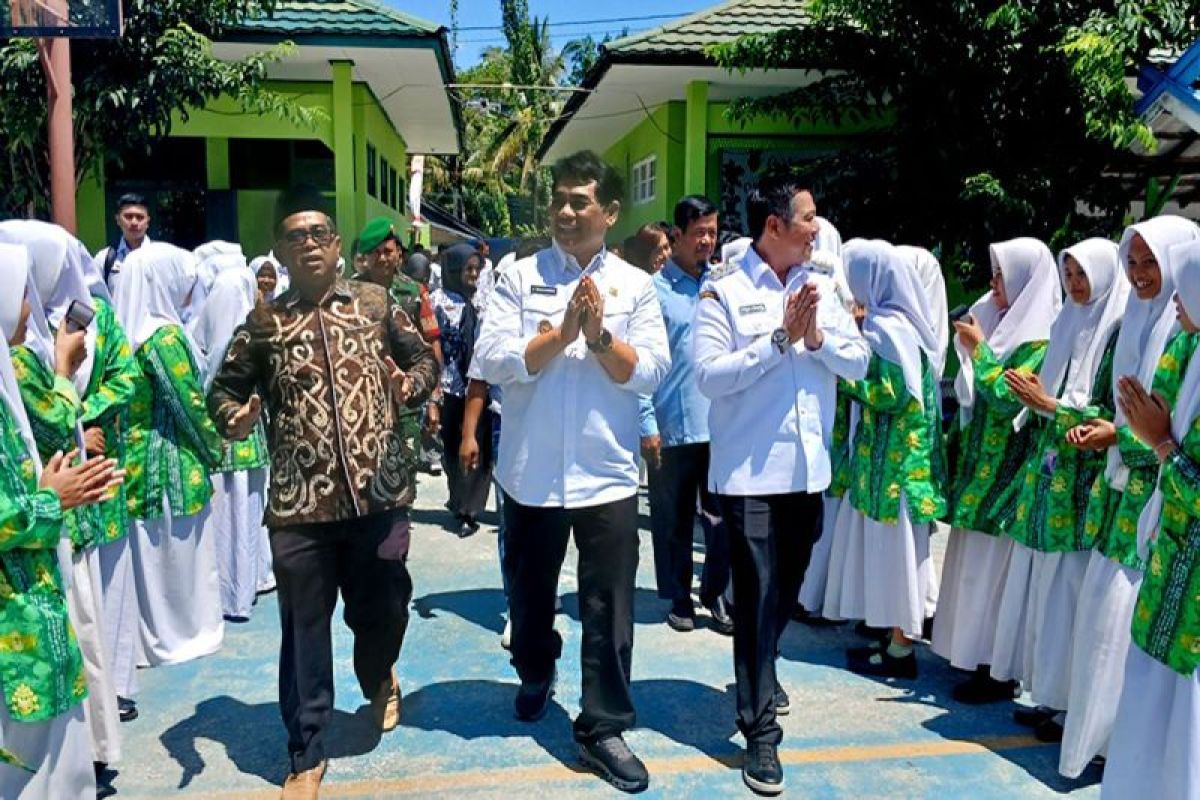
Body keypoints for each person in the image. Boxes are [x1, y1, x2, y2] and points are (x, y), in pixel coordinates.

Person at [207, 187, 438, 798]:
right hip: (298, 508)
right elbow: (221, 392)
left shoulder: (375, 303)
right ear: (281, 251)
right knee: (305, 629)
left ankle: (378, 671)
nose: (308, 243)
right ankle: (306, 751)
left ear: (337, 245)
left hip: (378, 498)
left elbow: (424, 366)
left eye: (319, 233)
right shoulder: (263, 323)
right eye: (295, 236)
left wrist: (407, 388)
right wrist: (233, 417)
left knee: (383, 610)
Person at [473, 150, 669, 793]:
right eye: (558, 199)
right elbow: (494, 359)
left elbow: (652, 372)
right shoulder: (516, 275)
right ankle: (535, 668)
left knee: (608, 607)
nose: (564, 211)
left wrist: (602, 338)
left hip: (605, 476)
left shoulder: (636, 286)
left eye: (580, 201)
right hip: (530, 475)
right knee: (529, 602)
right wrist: (560, 334)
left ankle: (602, 726)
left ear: (610, 213)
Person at [692, 177, 869, 794]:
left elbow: (861, 362)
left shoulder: (824, 287)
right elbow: (710, 377)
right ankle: (760, 735)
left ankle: (761, 666)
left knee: (780, 597)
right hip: (749, 479)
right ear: (774, 226)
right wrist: (778, 342)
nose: (817, 228)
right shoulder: (724, 291)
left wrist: (817, 338)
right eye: (808, 218)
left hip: (807, 475)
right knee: (760, 595)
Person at [1059, 218, 1200, 776]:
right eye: (1133, 262)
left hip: (1165, 531)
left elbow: (1154, 431)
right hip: (1151, 524)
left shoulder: (1180, 339)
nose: (1143, 277)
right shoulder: (1183, 342)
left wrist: (1149, 442)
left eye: (1160, 268)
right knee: (1119, 644)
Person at [0, 220, 141, 768]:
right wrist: (50, 495)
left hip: (52, 531)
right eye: (24, 289)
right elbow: (53, 426)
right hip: (33, 549)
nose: (32, 303)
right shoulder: (23, 358)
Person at [993, 239, 1129, 743]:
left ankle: (1071, 705)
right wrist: (1042, 401)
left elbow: (1115, 418)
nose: (1074, 285)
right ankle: (1050, 695)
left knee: (1073, 597)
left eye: (1081, 275)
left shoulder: (1118, 334)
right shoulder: (1069, 325)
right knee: (1050, 597)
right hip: (1053, 483)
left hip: (1085, 489)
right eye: (1067, 274)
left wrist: (1048, 404)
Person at [931, 238, 1060, 703]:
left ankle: (995, 669)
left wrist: (981, 351)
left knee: (994, 576)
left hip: (1008, 479)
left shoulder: (1041, 341)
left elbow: (1008, 398)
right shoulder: (1003, 326)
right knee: (971, 569)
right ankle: (966, 652)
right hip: (981, 474)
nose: (994, 283)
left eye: (1003, 275)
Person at [1101, 237, 1200, 800]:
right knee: (1153, 700)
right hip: (1172, 564)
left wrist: (1162, 446)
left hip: (1193, 591)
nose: (1175, 301)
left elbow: (1159, 442)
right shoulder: (1189, 353)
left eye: (1183, 285)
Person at [820, 240, 946, 679]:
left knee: (900, 559)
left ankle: (900, 651)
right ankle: (890, 638)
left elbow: (891, 395)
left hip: (897, 471)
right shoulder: (898, 323)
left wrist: (843, 378)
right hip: (888, 466)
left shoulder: (890, 329)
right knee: (891, 557)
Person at [112, 243, 226, 674]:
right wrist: (216, 446)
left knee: (152, 562)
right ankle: (181, 636)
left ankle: (154, 636)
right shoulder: (164, 338)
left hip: (137, 465)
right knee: (177, 560)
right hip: (171, 465)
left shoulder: (129, 333)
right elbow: (189, 406)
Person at [639, 195, 732, 635]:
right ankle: (679, 596)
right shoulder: (653, 292)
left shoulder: (723, 286)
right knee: (672, 517)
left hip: (721, 424)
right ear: (676, 236)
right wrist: (646, 423)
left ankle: (716, 593)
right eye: (699, 234)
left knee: (721, 518)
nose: (707, 242)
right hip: (671, 424)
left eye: (712, 232)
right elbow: (641, 365)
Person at [192, 267, 273, 622]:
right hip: (240, 437)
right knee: (241, 515)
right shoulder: (244, 338)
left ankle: (240, 587)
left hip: (234, 436)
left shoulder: (201, 335)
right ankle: (243, 587)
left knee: (237, 516)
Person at [355, 218, 444, 503]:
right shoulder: (348, 292)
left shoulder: (414, 293)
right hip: (361, 395)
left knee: (404, 466)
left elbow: (432, 344)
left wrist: (433, 399)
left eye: (388, 251)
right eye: (376, 252)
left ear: (399, 254)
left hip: (406, 395)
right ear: (365, 257)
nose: (382, 258)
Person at [432, 244, 493, 537]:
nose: (473, 275)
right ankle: (457, 498)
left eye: (476, 269)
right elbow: (430, 347)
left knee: (479, 447)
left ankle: (471, 508)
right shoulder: (438, 301)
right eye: (467, 269)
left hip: (480, 387)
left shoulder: (486, 300)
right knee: (451, 446)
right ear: (454, 271)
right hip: (450, 387)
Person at [92, 193, 152, 291]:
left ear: (148, 222)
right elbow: (95, 296)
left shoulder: (161, 257)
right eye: (128, 216)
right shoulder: (104, 259)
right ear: (118, 220)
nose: (134, 222)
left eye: (140, 217)